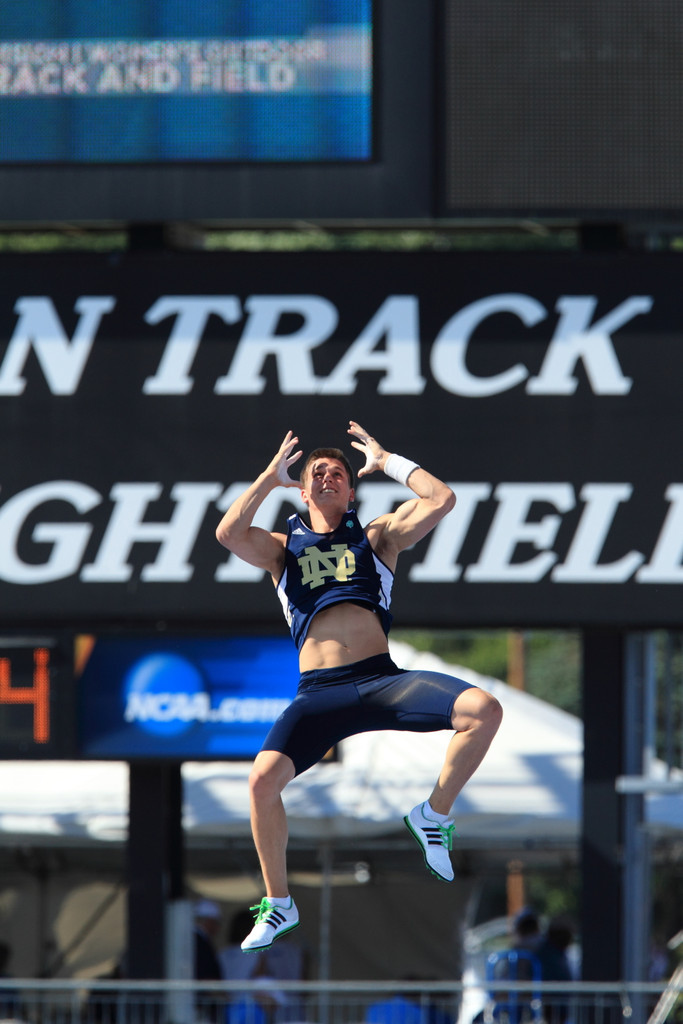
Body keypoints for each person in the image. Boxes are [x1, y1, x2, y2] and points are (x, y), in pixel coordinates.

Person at [216, 421, 503, 953]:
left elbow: (441, 499)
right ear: (302, 492)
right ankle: (279, 903)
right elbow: (229, 534)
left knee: (483, 710)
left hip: (380, 681)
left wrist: (389, 460)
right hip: (318, 694)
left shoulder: (377, 537)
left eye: (338, 473)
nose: (326, 477)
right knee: (260, 784)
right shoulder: (283, 549)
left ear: (351, 490)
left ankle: (433, 814)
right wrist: (266, 479)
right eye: (315, 473)